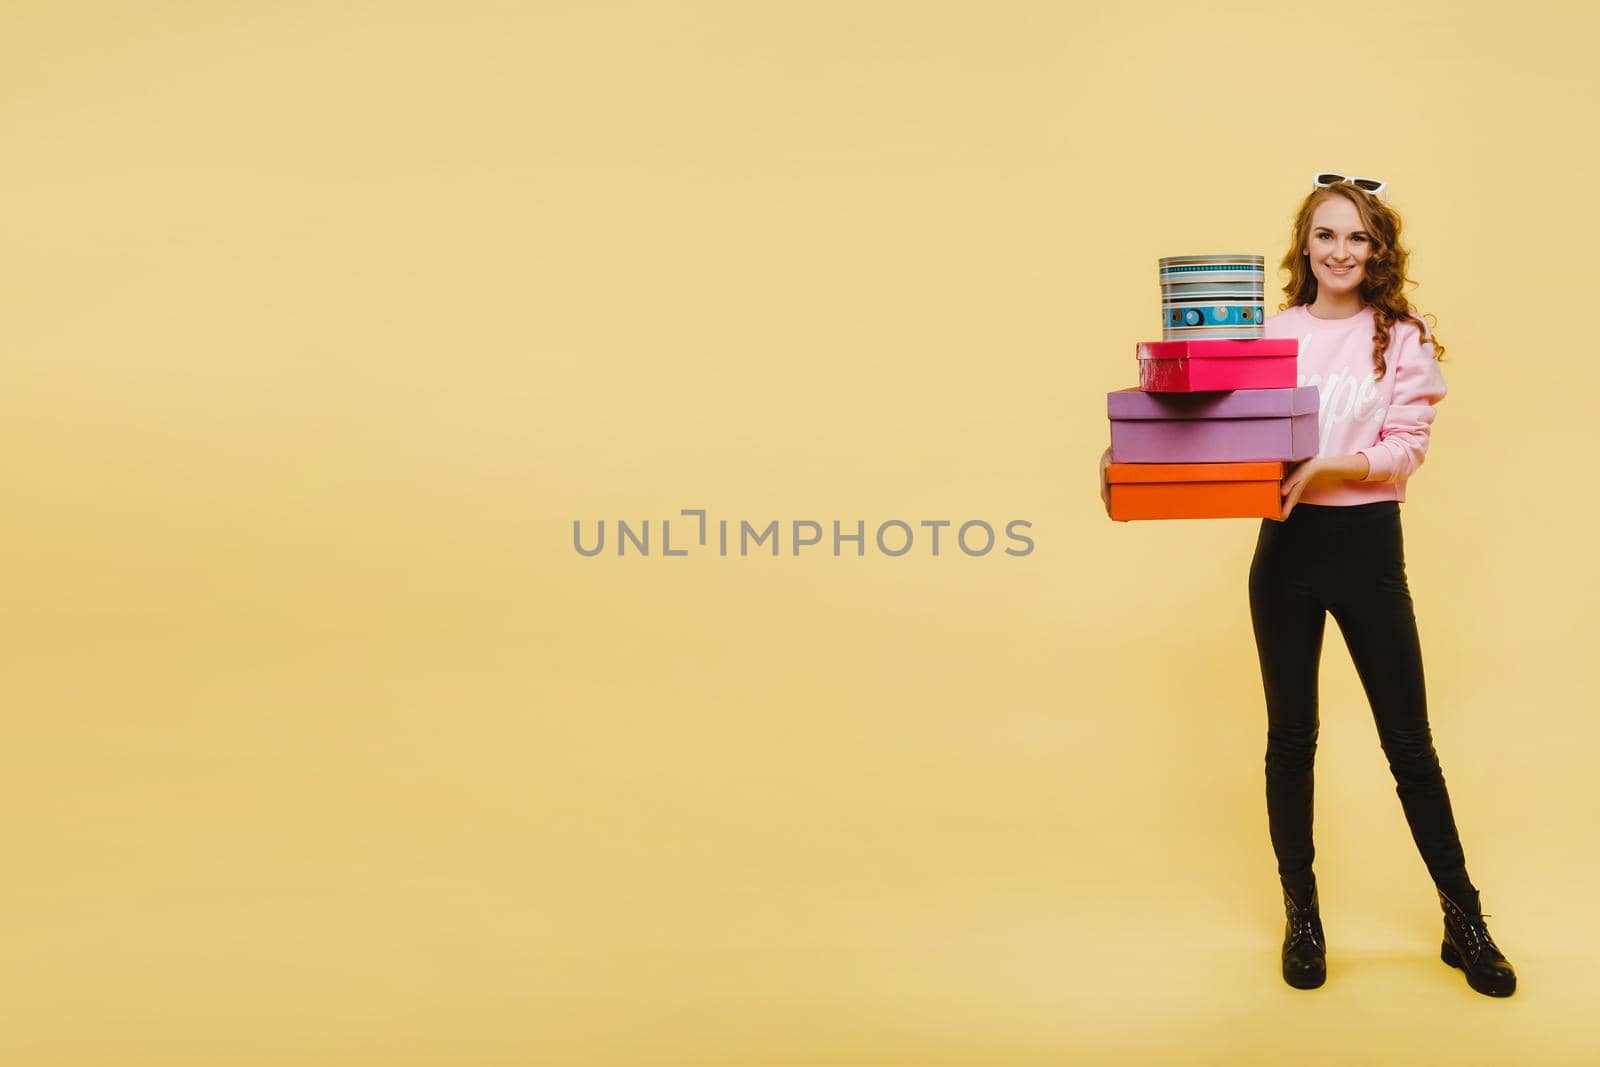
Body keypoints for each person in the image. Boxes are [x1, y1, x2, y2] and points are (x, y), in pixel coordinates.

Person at [1098, 175, 1516, 997]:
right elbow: (1209, 425)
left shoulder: (1401, 335)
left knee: (1411, 746)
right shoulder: (1274, 332)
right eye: (1326, 236)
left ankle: (1464, 921)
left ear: (1378, 250)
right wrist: (1130, 455)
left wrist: (1332, 462)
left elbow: (1407, 446)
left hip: (1368, 547)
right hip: (1286, 551)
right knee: (1292, 742)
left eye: (1357, 238)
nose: (1340, 252)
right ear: (1304, 246)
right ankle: (1304, 917)